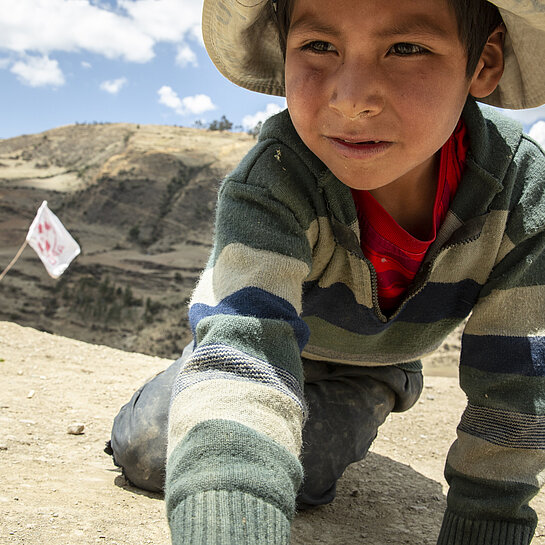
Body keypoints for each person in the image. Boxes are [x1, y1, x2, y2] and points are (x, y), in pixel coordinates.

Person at [107, 0, 545, 543]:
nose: (352, 98)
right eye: (319, 47)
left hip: (373, 365)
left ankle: (369, 389)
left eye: (405, 48)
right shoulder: (275, 178)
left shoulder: (522, 193)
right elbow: (246, 361)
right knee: (153, 451)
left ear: (483, 63)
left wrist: (487, 523)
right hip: (265, 341)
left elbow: (518, 384)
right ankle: (191, 370)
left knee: (303, 474)